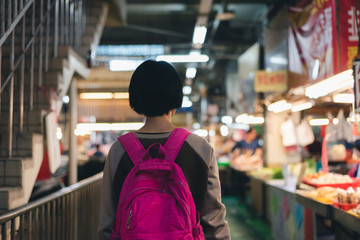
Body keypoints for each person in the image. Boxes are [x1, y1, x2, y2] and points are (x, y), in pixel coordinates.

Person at [97, 60, 230, 240]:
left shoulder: (118, 151)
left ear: (135, 98)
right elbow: (214, 222)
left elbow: (107, 224)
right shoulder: (200, 148)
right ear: (176, 98)